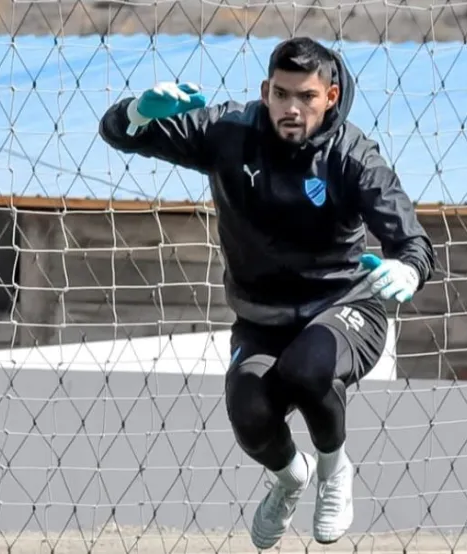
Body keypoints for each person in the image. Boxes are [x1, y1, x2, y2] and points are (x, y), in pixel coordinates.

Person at [98, 36, 436, 549]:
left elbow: (411, 240)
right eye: (281, 95)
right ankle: (290, 477)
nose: (292, 108)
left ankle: (333, 470)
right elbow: (119, 134)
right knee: (249, 413)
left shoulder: (352, 155)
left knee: (308, 368)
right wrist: (138, 111)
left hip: (345, 308)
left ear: (330, 96)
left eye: (305, 96)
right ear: (265, 91)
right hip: (262, 320)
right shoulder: (229, 131)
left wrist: (408, 270)